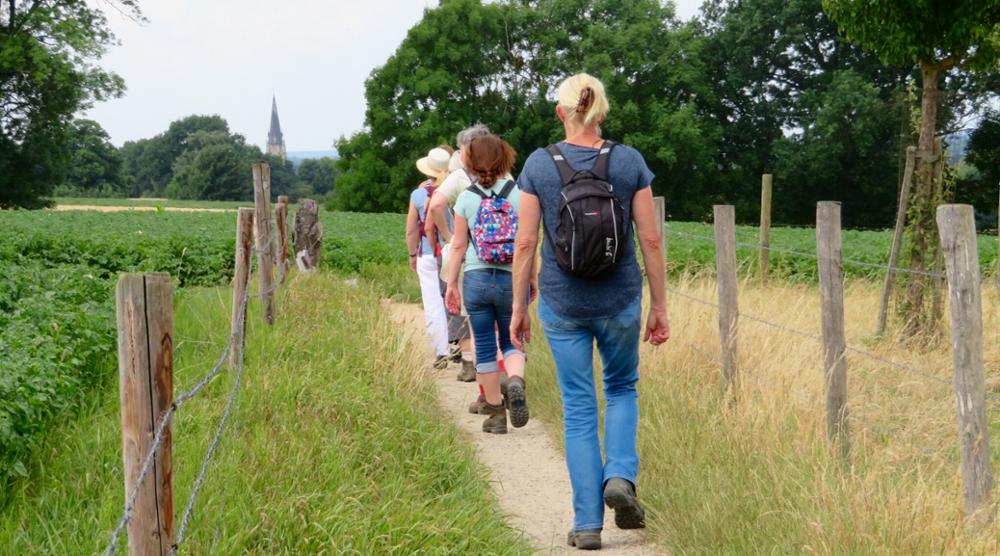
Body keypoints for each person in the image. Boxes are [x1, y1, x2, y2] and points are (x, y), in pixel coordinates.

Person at [509, 73, 670, 550]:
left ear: (561, 112)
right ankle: (619, 475)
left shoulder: (539, 164)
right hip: (620, 299)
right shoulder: (628, 162)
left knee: (578, 408)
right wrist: (659, 305)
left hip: (562, 302)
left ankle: (586, 525)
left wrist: (520, 307)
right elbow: (651, 239)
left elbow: (524, 243)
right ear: (602, 111)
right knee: (621, 388)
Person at [445, 134, 535, 435]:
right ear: (504, 159)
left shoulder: (467, 199)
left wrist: (452, 285)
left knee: (483, 344)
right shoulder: (519, 195)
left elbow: (458, 246)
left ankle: (496, 414)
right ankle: (515, 381)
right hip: (512, 278)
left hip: (476, 278)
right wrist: (532, 278)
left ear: (469, 161)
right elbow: (527, 243)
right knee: (513, 340)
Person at [427, 124, 495, 391]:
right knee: (499, 318)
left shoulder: (459, 177)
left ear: (466, 149)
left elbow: (436, 206)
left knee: (471, 314)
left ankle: (476, 373)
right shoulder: (504, 174)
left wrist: (451, 236)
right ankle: (508, 371)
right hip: (503, 258)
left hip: (471, 257)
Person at [406, 147, 452, 369]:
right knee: (454, 299)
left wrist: (413, 253)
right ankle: (463, 346)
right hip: (453, 251)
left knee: (433, 302)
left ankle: (442, 351)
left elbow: (411, 230)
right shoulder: (454, 189)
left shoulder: (418, 195)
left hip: (427, 253)